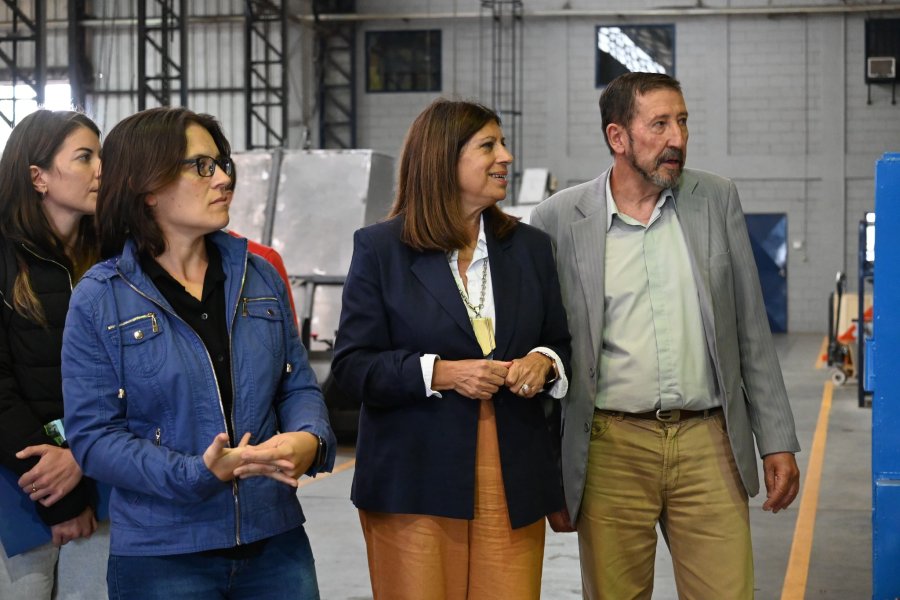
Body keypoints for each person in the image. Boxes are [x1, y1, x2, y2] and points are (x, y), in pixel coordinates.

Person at [531, 72, 802, 599]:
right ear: (618, 137)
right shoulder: (560, 219)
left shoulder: (715, 199)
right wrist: (551, 473)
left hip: (710, 443)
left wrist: (777, 440)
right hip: (610, 448)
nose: (677, 137)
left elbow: (750, 328)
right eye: (659, 124)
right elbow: (548, 348)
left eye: (682, 121)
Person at [61, 107, 335, 599]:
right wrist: (197, 473)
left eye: (222, 163)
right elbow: (94, 437)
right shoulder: (101, 296)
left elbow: (295, 384)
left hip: (274, 541)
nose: (224, 178)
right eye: (202, 166)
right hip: (163, 554)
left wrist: (309, 438)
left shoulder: (260, 274)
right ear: (148, 187)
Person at [332, 98, 572, 599]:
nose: (506, 155)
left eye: (502, 143)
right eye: (488, 145)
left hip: (513, 477)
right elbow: (353, 369)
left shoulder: (529, 248)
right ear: (443, 158)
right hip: (413, 480)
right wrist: (440, 373)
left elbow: (561, 342)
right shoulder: (381, 249)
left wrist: (543, 363)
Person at [0, 110, 108, 599]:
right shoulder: (5, 260)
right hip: (17, 493)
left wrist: (80, 458)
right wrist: (58, 496)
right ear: (38, 176)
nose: (100, 169)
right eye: (84, 157)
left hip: (100, 480)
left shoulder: (112, 260)